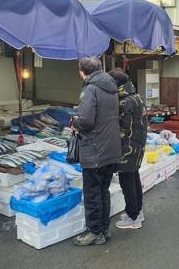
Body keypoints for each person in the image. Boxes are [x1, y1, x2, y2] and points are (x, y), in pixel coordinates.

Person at [72, 57, 121, 246]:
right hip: (110, 148)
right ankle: (103, 229)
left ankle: (94, 232)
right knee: (103, 191)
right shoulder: (111, 87)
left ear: (82, 70)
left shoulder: (90, 89)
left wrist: (74, 122)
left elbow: (86, 121)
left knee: (92, 193)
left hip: (95, 149)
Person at [108, 69, 148, 229]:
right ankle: (137, 211)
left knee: (127, 182)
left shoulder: (124, 102)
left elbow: (123, 131)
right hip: (138, 145)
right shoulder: (136, 97)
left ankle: (133, 218)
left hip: (128, 148)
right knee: (134, 178)